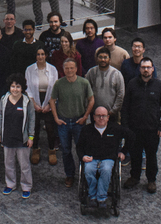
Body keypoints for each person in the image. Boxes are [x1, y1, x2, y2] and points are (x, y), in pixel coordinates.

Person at [122, 56, 161, 194]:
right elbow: (125, 107)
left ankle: (151, 180)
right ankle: (134, 177)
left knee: (151, 156)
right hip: (134, 130)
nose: (146, 70)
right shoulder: (132, 84)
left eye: (148, 67)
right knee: (135, 155)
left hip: (152, 130)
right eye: (143, 67)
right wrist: (125, 127)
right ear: (140, 69)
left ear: (152, 69)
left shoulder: (160, 86)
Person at [50, 58, 94, 188]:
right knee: (66, 150)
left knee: (82, 150)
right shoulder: (59, 84)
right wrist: (56, 118)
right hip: (63, 123)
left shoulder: (84, 83)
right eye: (66, 68)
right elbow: (52, 100)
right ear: (63, 70)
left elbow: (91, 100)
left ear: (76, 69)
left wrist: (85, 116)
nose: (69, 70)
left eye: (71, 68)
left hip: (78, 121)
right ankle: (70, 174)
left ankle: (85, 174)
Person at [78, 106, 132, 209]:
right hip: (92, 158)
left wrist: (123, 152)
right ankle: (92, 196)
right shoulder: (86, 130)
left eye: (104, 116)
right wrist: (83, 156)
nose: (101, 118)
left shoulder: (115, 128)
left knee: (106, 170)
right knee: (88, 170)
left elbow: (131, 136)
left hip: (108, 158)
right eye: (98, 116)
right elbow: (79, 146)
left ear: (108, 117)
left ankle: (101, 198)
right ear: (94, 117)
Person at [0, 75, 35, 198]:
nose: (15, 89)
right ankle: (10, 184)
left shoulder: (27, 101)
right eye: (13, 86)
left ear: (22, 88)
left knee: (24, 165)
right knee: (8, 164)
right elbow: (0, 117)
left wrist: (31, 137)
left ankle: (26, 186)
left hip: (22, 139)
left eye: (18, 87)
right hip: (7, 137)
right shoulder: (4, 99)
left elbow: (32, 120)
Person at [25, 46, 60, 166]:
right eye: (38, 54)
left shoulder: (53, 69)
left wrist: (49, 105)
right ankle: (35, 150)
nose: (40, 57)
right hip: (34, 99)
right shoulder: (29, 69)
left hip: (49, 100)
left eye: (42, 54)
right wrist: (34, 104)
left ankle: (51, 150)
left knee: (50, 128)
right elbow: (28, 88)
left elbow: (55, 88)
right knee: (35, 126)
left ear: (46, 55)